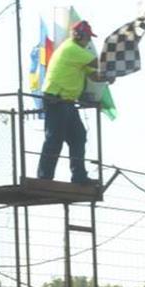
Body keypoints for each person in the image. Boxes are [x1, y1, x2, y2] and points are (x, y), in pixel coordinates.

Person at [36, 19, 100, 184]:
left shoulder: (78, 53)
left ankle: (79, 176)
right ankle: (44, 178)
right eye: (87, 37)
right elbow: (98, 64)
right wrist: (116, 63)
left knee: (78, 136)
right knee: (54, 139)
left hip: (67, 102)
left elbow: (94, 74)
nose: (88, 41)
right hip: (56, 99)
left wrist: (109, 76)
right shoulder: (72, 49)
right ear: (79, 36)